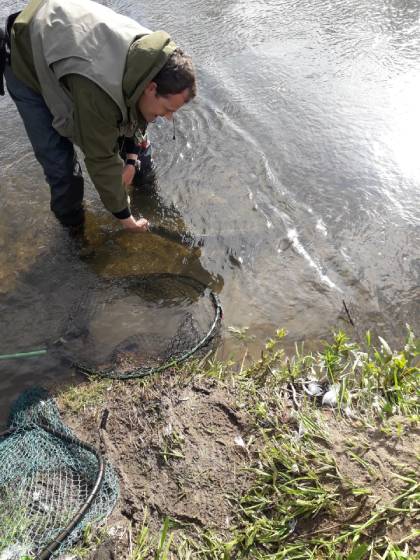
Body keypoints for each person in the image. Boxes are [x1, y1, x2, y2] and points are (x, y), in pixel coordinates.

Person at [0, 0, 196, 232]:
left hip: (70, 36)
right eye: (168, 109)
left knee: (141, 152)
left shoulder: (154, 62)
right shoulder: (99, 91)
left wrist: (132, 160)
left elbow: (140, 115)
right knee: (62, 170)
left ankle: (148, 198)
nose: (168, 118)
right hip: (27, 55)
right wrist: (126, 219)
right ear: (151, 88)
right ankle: (76, 238)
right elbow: (101, 159)